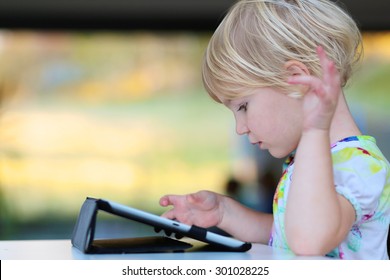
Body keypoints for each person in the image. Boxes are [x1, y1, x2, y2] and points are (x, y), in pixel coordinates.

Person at [159, 0, 390, 259]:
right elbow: (286, 236)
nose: (240, 128)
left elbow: (308, 241)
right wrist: (225, 213)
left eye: (243, 106)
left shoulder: (359, 165)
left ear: (298, 82)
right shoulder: (312, 160)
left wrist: (315, 131)